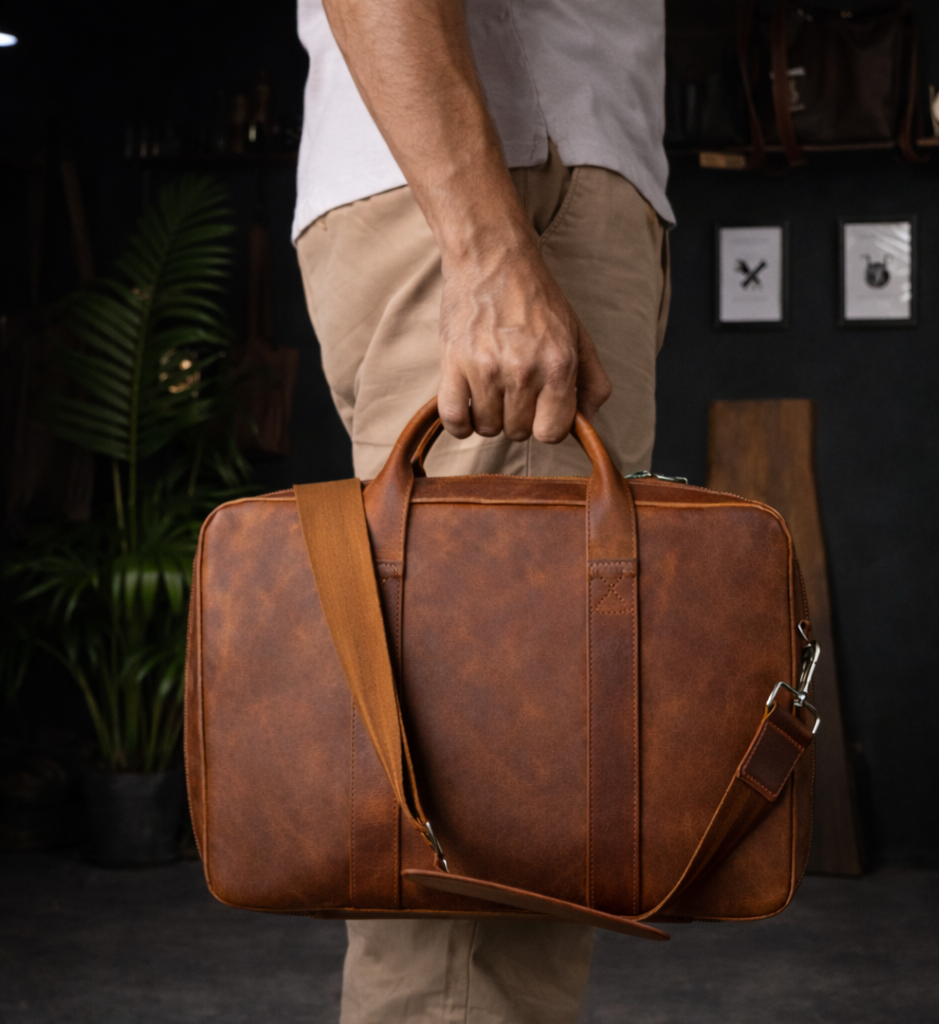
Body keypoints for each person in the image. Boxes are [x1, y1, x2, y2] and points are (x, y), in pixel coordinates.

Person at [292, 0, 673, 1020]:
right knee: (484, 866)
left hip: (515, 176)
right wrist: (488, 249)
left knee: (514, 832)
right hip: (508, 180)